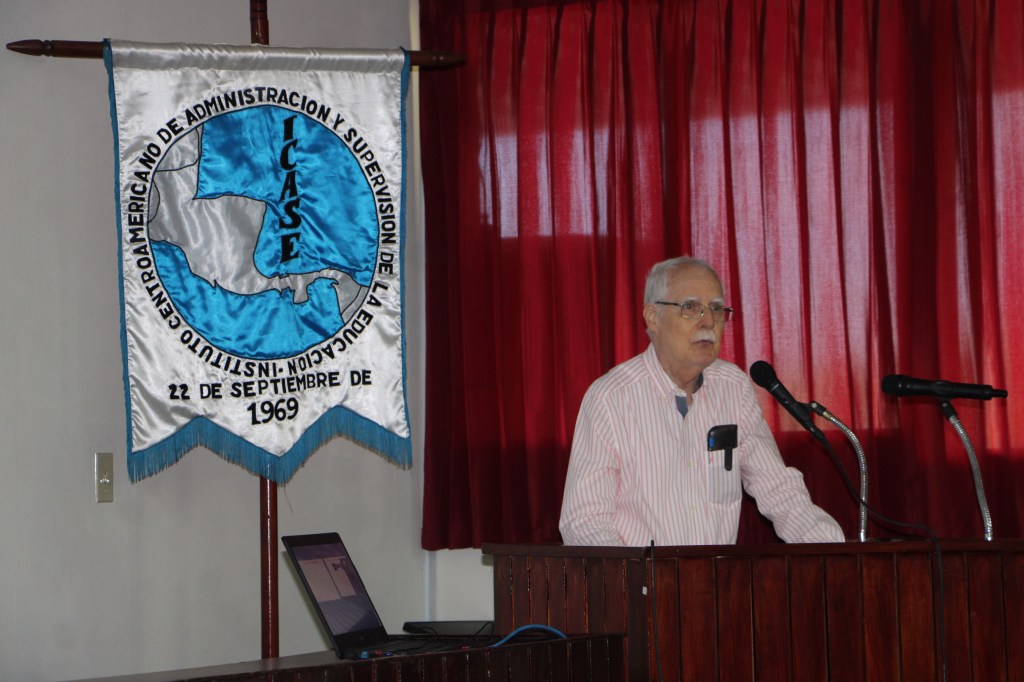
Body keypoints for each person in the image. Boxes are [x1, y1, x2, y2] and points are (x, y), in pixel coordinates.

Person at [559, 256, 844, 546]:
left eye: (717, 309)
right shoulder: (611, 398)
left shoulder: (733, 387)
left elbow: (779, 491)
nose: (708, 321)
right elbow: (586, 520)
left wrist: (837, 557)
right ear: (653, 317)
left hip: (717, 583)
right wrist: (634, 585)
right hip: (644, 584)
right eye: (690, 307)